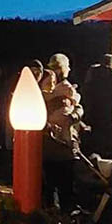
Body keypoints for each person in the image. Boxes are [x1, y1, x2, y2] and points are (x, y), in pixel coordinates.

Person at [41, 53, 83, 212]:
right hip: (50, 144)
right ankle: (50, 216)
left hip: (67, 143)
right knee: (49, 183)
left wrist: (75, 115)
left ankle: (68, 214)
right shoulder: (44, 93)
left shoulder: (69, 90)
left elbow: (77, 107)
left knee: (67, 183)